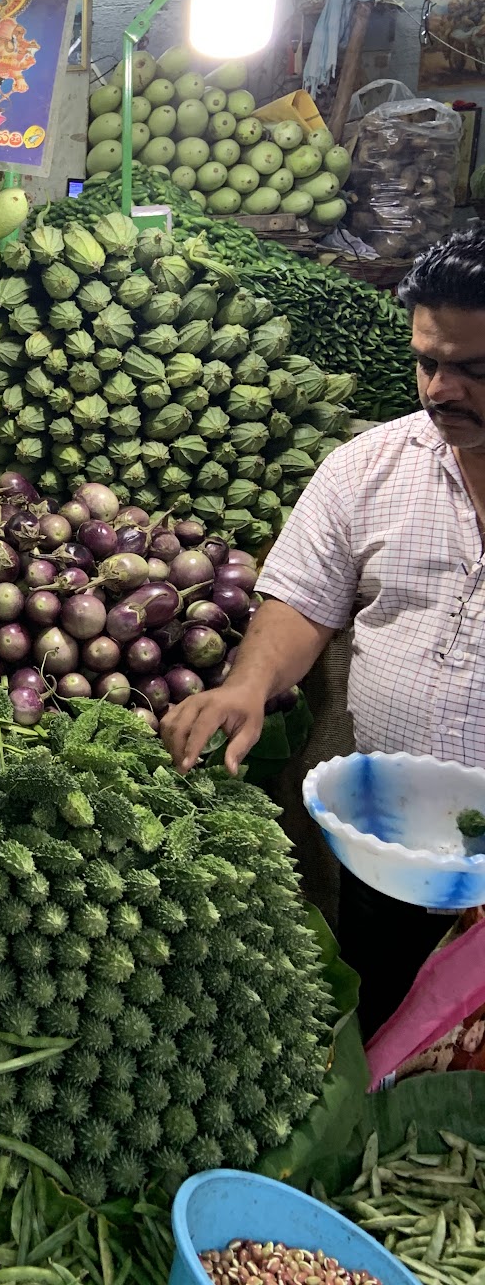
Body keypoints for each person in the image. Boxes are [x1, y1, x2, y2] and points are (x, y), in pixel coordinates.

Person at [160, 226, 485, 1038]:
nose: (441, 390)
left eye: (474, 370)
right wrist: (247, 685)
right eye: (427, 362)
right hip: (394, 853)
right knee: (384, 1032)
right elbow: (303, 602)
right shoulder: (368, 467)